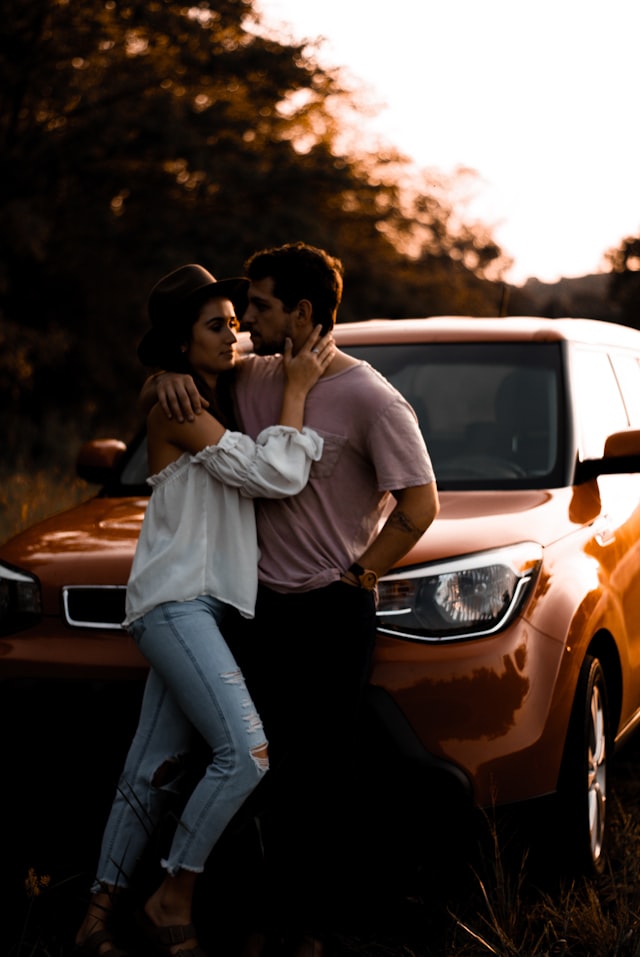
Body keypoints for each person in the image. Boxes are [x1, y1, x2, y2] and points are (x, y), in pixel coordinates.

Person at [149, 243, 439, 956]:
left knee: (321, 779)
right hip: (257, 610)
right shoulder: (250, 376)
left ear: (301, 313)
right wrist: (161, 372)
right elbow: (190, 373)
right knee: (253, 769)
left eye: (261, 307)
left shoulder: (372, 397)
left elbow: (421, 504)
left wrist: (362, 573)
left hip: (332, 610)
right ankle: (248, 921)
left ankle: (308, 929)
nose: (246, 321)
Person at [75, 264, 335, 957]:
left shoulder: (204, 389)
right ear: (179, 341)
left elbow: (257, 352)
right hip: (175, 602)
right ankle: (173, 894)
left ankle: (96, 918)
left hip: (201, 609)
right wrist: (299, 394)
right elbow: (276, 474)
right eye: (216, 325)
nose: (236, 334)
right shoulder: (179, 406)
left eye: (235, 320)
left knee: (149, 769)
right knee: (246, 753)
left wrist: (165, 372)